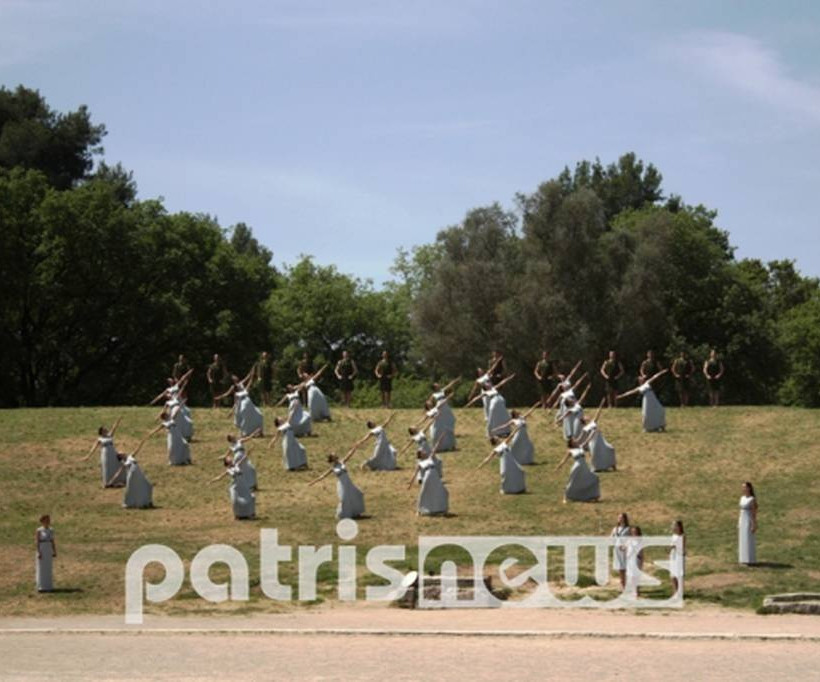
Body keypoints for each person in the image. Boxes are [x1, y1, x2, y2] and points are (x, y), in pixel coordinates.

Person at [309, 448, 366, 520]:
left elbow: (349, 455)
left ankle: (356, 512)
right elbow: (323, 476)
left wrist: (355, 448)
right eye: (334, 456)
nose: (335, 456)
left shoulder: (342, 462)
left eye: (335, 455)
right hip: (342, 484)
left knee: (357, 494)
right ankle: (343, 514)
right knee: (344, 499)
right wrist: (313, 482)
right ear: (332, 459)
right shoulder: (332, 468)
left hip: (348, 482)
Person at [107, 438, 154, 508]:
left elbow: (137, 450)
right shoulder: (124, 463)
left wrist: (142, 442)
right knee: (131, 489)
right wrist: (111, 482)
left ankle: (147, 501)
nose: (122, 452)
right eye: (120, 453)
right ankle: (129, 503)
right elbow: (118, 473)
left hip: (138, 472)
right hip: (132, 474)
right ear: (120, 456)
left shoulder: (130, 456)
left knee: (147, 485)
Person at [216, 371, 264, 437]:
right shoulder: (234, 387)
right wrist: (220, 397)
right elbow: (228, 394)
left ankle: (256, 431)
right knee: (246, 417)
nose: (236, 376)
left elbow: (247, 378)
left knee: (255, 415)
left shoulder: (240, 383)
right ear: (233, 380)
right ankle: (245, 432)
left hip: (247, 402)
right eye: (234, 377)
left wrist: (251, 374)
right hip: (243, 403)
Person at [555, 433, 600, 503]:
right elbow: (564, 460)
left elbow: (588, 440)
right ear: (571, 443)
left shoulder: (580, 447)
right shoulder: (570, 450)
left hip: (584, 467)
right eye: (573, 440)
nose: (575, 440)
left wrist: (593, 433)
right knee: (572, 482)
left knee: (594, 477)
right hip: (577, 467)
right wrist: (558, 467)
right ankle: (565, 497)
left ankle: (594, 496)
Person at [479, 429, 527, 495]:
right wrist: (482, 464)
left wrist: (516, 429)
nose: (498, 438)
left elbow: (511, 436)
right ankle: (506, 489)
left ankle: (519, 488)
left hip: (511, 461)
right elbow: (489, 458)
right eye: (497, 438)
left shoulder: (504, 443)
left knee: (519, 471)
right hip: (505, 463)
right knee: (506, 475)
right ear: (495, 441)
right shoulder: (496, 449)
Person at [81, 417, 126, 488]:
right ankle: (107, 483)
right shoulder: (100, 439)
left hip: (112, 452)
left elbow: (114, 428)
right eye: (105, 429)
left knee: (115, 464)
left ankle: (116, 480)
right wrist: (88, 456)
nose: (106, 429)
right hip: (105, 453)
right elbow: (94, 448)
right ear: (102, 432)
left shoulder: (109, 436)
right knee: (107, 467)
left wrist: (118, 421)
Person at [210, 455, 256, 520]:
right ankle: (238, 514)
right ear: (227, 462)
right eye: (228, 459)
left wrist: (249, 452)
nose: (230, 459)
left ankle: (249, 513)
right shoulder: (228, 470)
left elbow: (243, 458)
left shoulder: (237, 465)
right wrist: (212, 481)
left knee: (249, 497)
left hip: (243, 484)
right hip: (236, 486)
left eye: (230, 458)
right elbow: (220, 477)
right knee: (236, 500)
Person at [409, 448, 449, 516]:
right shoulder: (420, 462)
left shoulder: (430, 458)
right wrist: (410, 484)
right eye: (422, 452)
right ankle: (419, 509)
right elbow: (415, 474)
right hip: (428, 475)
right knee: (424, 492)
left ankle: (441, 508)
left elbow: (435, 449)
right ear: (420, 454)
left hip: (435, 475)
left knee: (443, 491)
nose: (424, 452)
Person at [580, 399, 616, 472]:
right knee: (596, 455)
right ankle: (597, 467)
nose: (587, 416)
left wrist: (601, 405)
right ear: (584, 420)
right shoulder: (585, 428)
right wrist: (585, 443)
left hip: (601, 440)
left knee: (610, 449)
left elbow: (598, 414)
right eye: (585, 417)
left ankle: (612, 465)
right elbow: (583, 437)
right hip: (593, 442)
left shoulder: (593, 422)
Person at [35, 515, 56, 592]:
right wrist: (39, 552)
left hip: (48, 549)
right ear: (42, 521)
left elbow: (52, 541)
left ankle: (48, 586)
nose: (48, 522)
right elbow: (37, 541)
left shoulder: (51, 530)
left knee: (48, 568)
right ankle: (41, 586)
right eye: (46, 520)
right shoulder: (39, 530)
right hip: (42, 548)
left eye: (49, 520)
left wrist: (54, 551)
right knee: (41, 568)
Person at [739, 481, 758, 565]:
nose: (743, 489)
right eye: (742, 487)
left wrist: (754, 524)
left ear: (749, 488)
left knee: (748, 538)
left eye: (745, 487)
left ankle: (750, 559)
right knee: (742, 538)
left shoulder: (752, 499)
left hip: (748, 519)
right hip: (742, 518)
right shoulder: (742, 498)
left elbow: (754, 512)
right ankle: (743, 558)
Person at [610, 512, 631, 589]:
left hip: (625, 550)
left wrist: (626, 546)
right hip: (617, 549)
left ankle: (628, 584)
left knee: (626, 568)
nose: (619, 519)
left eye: (621, 517)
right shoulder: (615, 529)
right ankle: (623, 584)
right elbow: (611, 538)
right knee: (620, 568)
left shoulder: (628, 529)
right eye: (618, 518)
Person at [670, 519, 686, 595]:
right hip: (673, 555)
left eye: (675, 525)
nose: (674, 527)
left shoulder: (682, 535)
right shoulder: (673, 536)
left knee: (679, 574)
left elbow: (681, 546)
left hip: (679, 556)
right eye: (673, 525)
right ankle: (675, 591)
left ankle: (680, 592)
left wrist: (673, 546)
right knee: (672, 575)